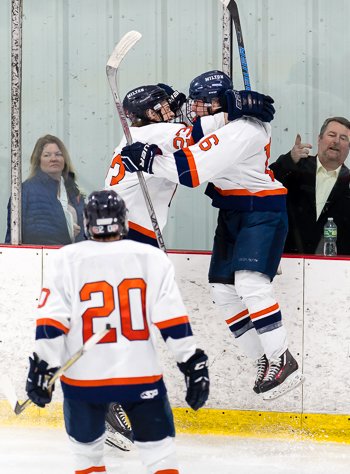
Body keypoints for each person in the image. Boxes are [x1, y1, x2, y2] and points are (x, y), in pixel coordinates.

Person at [119, 70, 304, 400]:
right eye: (196, 102)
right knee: (222, 290)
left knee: (250, 283)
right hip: (233, 211)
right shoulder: (227, 120)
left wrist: (150, 162)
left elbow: (192, 171)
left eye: (204, 102)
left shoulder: (245, 129)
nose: (196, 109)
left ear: (220, 102)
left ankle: (283, 358)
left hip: (262, 211)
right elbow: (193, 134)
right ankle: (263, 358)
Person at [24, 189, 210, 474]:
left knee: (87, 458)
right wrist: (191, 363)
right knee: (160, 457)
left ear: (88, 224)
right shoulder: (152, 258)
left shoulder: (66, 259)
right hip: (140, 374)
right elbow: (173, 321)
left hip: (83, 381)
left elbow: (51, 324)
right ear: (123, 221)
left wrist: (42, 367)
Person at [104, 83, 274, 246]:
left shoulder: (138, 134)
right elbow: (197, 133)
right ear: (151, 114)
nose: (171, 112)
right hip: (133, 227)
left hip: (118, 221)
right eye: (164, 107)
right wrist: (234, 109)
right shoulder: (155, 132)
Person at [269, 117, 350, 255]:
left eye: (343, 138)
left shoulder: (348, 183)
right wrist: (290, 159)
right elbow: (266, 184)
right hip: (285, 259)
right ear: (319, 139)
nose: (336, 141)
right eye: (331, 135)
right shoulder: (296, 167)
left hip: (334, 268)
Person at [5, 134, 85, 245]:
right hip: (40, 259)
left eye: (58, 154)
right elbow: (16, 235)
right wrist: (67, 231)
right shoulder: (24, 191)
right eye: (47, 155)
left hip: (72, 258)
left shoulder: (74, 193)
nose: (53, 159)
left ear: (64, 159)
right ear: (38, 161)